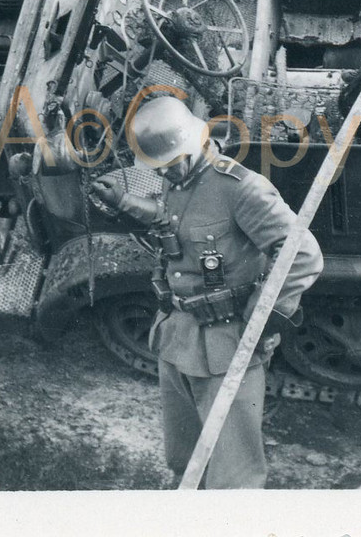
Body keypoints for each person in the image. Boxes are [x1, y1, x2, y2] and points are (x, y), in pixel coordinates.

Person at [90, 96, 323, 489]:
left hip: (227, 345)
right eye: (161, 167)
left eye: (172, 163)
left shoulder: (241, 188)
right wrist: (126, 202)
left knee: (233, 476)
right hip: (176, 336)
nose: (167, 173)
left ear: (197, 144)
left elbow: (303, 254)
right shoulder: (178, 179)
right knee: (184, 457)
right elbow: (173, 220)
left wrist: (259, 321)